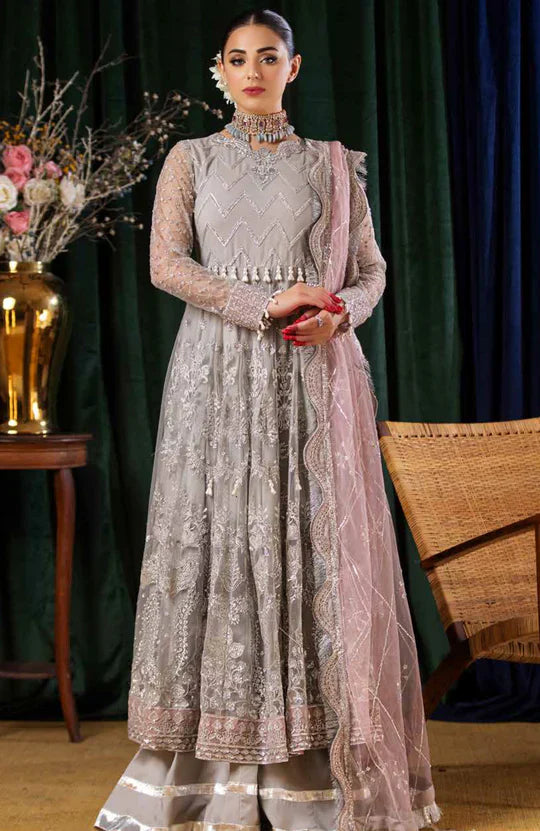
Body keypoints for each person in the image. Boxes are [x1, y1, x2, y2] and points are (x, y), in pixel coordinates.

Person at [95, 8, 446, 831]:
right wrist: (264, 301)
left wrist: (337, 316)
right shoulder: (191, 159)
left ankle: (311, 769)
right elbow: (166, 263)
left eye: (267, 56)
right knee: (224, 543)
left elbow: (370, 271)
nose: (251, 70)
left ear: (294, 67)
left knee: (303, 548)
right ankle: (209, 774)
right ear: (220, 72)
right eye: (236, 58)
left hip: (311, 379)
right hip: (215, 377)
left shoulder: (333, 165)